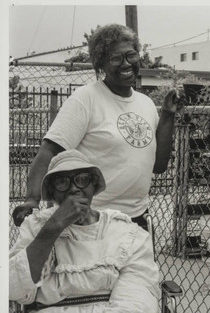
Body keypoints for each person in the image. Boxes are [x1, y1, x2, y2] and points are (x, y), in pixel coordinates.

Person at [12, 24, 179, 229]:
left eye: (131, 55)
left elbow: (158, 166)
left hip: (137, 220)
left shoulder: (145, 104)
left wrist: (168, 116)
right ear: (101, 65)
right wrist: (32, 200)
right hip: (90, 220)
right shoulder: (86, 99)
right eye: (116, 58)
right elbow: (48, 151)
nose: (126, 63)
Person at [9, 150, 160, 313]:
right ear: (52, 191)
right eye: (62, 182)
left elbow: (138, 294)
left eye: (82, 179)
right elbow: (13, 287)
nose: (73, 188)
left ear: (93, 186)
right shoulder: (36, 226)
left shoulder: (124, 230)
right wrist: (53, 226)